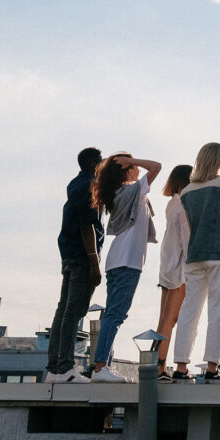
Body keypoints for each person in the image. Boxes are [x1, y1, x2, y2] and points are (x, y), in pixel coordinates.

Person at [170, 143, 220, 383]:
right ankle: (212, 369)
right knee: (218, 311)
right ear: (219, 160)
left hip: (195, 255)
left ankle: (181, 367)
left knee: (189, 311)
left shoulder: (187, 192)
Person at [90, 153, 162, 383]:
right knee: (116, 314)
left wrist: (131, 163)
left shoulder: (121, 193)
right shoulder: (132, 191)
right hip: (127, 260)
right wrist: (136, 160)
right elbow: (157, 166)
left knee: (113, 314)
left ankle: (104, 365)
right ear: (126, 170)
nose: (137, 169)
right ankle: (101, 367)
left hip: (118, 259)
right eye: (132, 166)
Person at [45, 147, 104, 384]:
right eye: (100, 163)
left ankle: (54, 368)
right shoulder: (90, 185)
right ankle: (66, 368)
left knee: (63, 310)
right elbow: (87, 225)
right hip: (82, 256)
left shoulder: (74, 184)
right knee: (74, 311)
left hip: (69, 254)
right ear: (93, 165)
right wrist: (94, 262)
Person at [155, 164, 193, 382]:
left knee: (165, 319)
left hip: (167, 267)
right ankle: (160, 368)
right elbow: (187, 242)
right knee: (171, 320)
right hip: (180, 269)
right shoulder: (183, 206)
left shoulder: (171, 204)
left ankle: (158, 364)